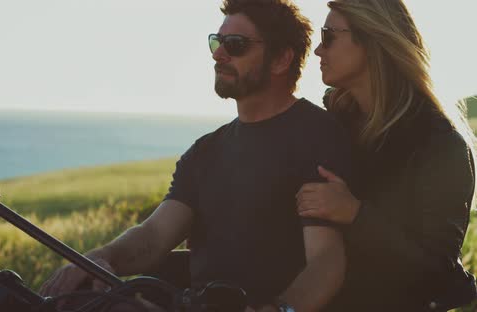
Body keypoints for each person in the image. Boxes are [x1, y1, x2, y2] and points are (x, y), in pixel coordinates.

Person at [40, 1, 352, 311]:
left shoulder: (317, 135)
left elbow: (326, 260)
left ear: (281, 59)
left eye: (236, 45)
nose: (219, 54)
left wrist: (279, 309)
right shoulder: (205, 151)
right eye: (216, 42)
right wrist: (100, 258)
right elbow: (155, 235)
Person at [295, 0, 477, 311]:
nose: (318, 51)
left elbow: (435, 273)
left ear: (372, 40)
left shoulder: (440, 144)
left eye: (329, 36)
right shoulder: (331, 125)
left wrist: (355, 214)